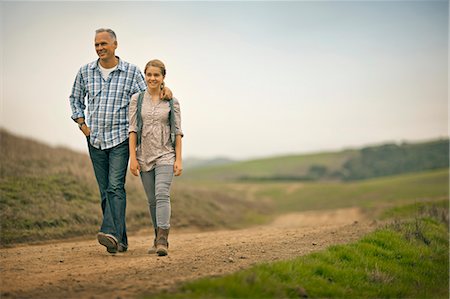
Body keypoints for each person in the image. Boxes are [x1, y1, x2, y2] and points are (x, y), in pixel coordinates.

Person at [69, 29, 172, 254]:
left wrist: (164, 89)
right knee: (105, 190)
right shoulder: (85, 72)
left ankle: (111, 232)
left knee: (115, 186)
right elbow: (75, 98)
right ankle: (121, 241)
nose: (99, 48)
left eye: (104, 43)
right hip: (94, 139)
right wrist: (82, 125)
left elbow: (148, 96)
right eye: (96, 44)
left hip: (120, 139)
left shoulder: (132, 72)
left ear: (115, 45)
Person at [129, 59, 183, 256]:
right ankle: (156, 236)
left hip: (166, 154)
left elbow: (177, 131)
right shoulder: (137, 99)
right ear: (145, 76)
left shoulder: (172, 101)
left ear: (163, 77)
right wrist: (132, 158)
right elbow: (133, 129)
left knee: (162, 194)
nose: (152, 78)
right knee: (152, 200)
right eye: (149, 74)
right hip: (144, 155)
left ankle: (163, 240)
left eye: (156, 75)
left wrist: (178, 159)